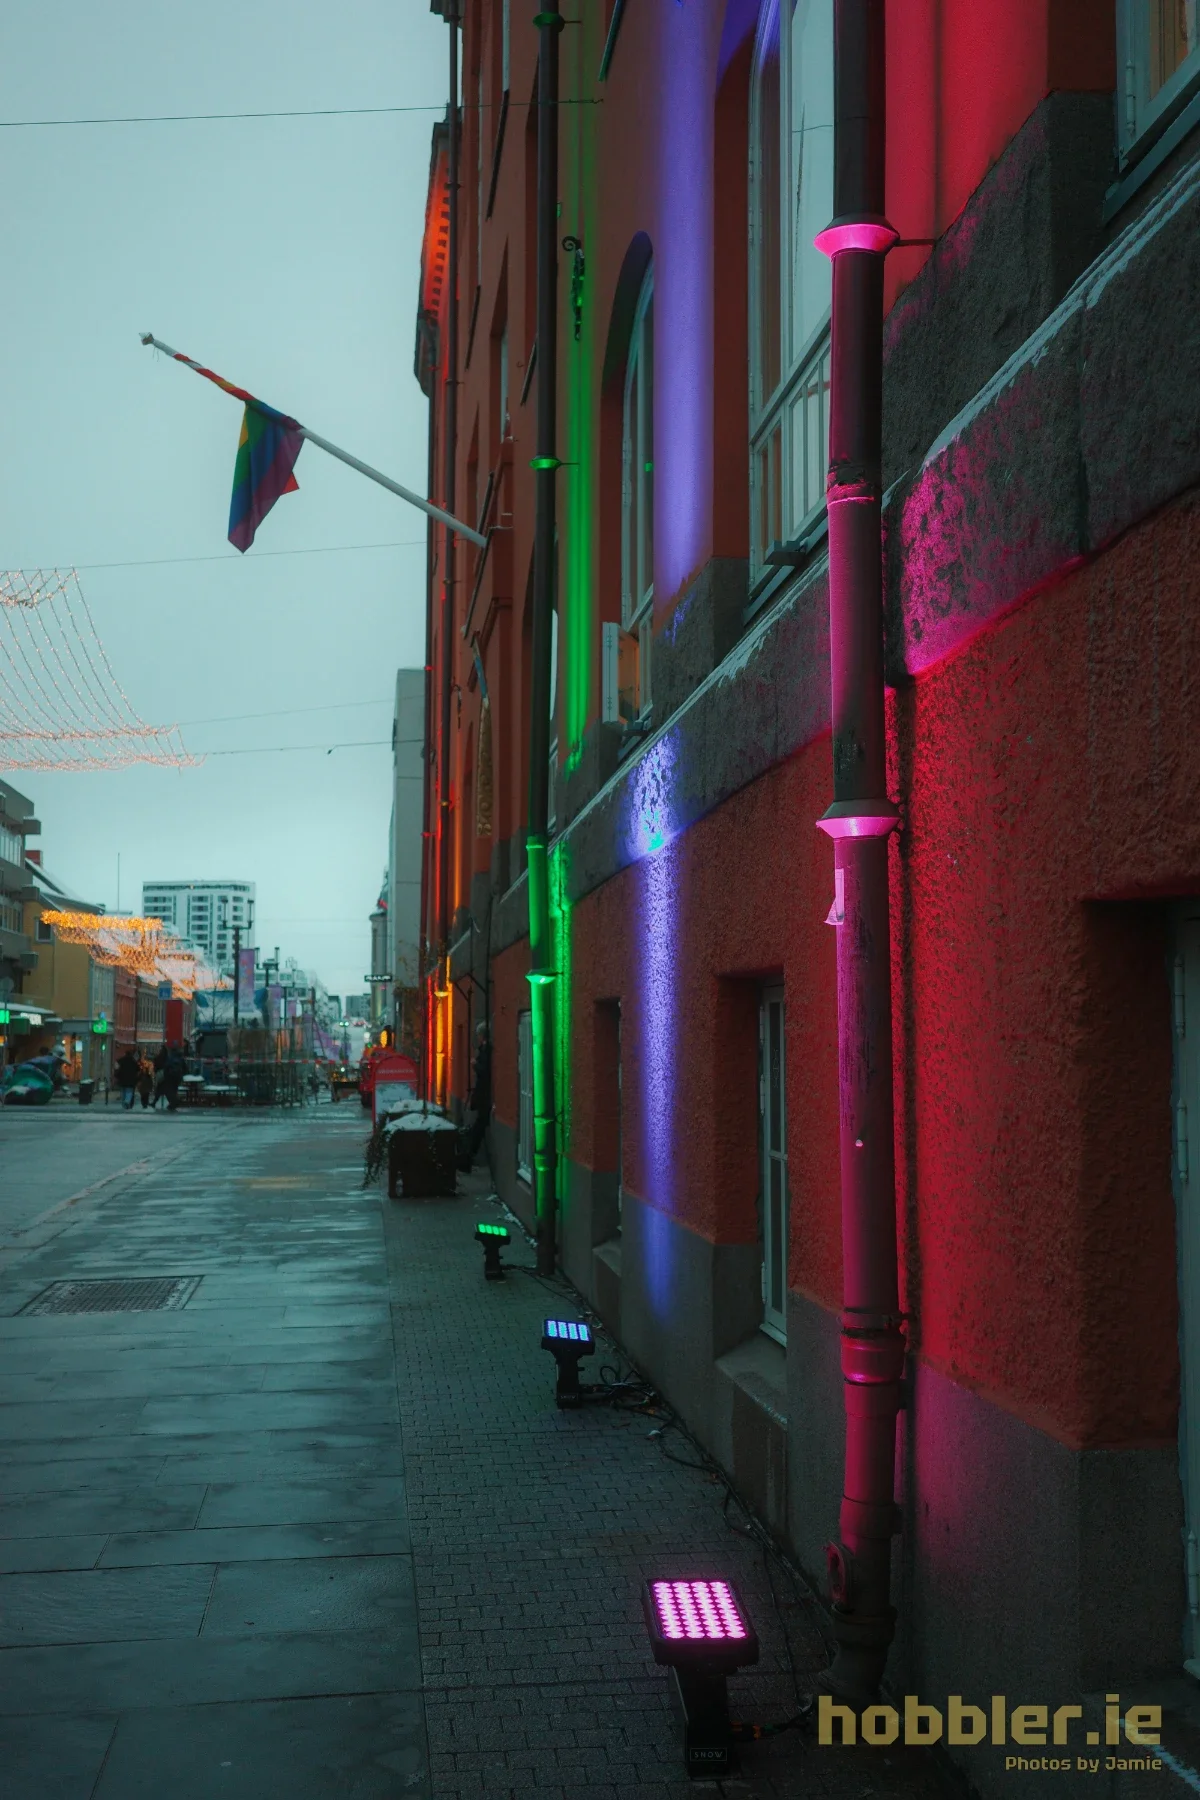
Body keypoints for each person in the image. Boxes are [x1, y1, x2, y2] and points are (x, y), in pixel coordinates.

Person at [458, 1022, 492, 1170]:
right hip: (483, 1094)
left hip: (484, 1094)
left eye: (478, 1035)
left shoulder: (486, 1050)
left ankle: (469, 1156)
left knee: (479, 1124)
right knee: (479, 1124)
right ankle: (469, 1155)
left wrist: (474, 1065)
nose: (477, 1037)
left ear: (482, 1035)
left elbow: (484, 1071)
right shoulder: (484, 1049)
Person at [163, 1043, 186, 1112]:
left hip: (170, 1076)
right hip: (178, 1077)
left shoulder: (170, 1057)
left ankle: (174, 1103)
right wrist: (182, 1075)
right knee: (174, 1090)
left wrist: (165, 1075)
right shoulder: (180, 1058)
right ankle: (173, 1104)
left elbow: (166, 1067)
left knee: (169, 1090)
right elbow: (185, 1068)